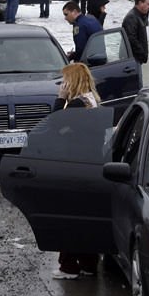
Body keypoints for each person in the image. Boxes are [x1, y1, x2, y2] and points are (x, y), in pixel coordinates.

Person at [51, 62, 101, 279]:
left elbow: (54, 126)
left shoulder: (76, 105)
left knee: (70, 218)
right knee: (87, 218)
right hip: (91, 166)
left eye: (64, 81)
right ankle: (89, 264)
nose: (62, 85)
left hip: (75, 168)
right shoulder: (92, 101)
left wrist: (60, 99)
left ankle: (69, 266)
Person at [121, 0, 149, 67]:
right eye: (148, 4)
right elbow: (131, 38)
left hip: (136, 58)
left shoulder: (139, 16)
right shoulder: (132, 17)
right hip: (133, 59)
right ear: (140, 3)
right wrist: (141, 53)